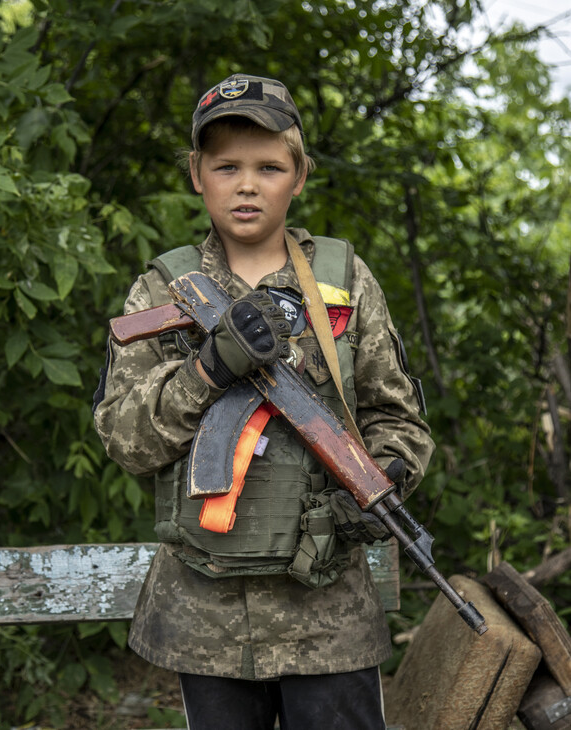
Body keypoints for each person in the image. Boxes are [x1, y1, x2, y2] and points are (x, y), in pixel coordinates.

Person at [93, 74, 435, 730]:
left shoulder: (342, 281)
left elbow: (398, 419)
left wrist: (388, 470)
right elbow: (125, 439)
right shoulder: (165, 288)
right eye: (226, 166)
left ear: (299, 176)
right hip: (205, 620)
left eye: (269, 167)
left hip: (328, 615)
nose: (247, 184)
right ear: (197, 174)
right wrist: (208, 370)